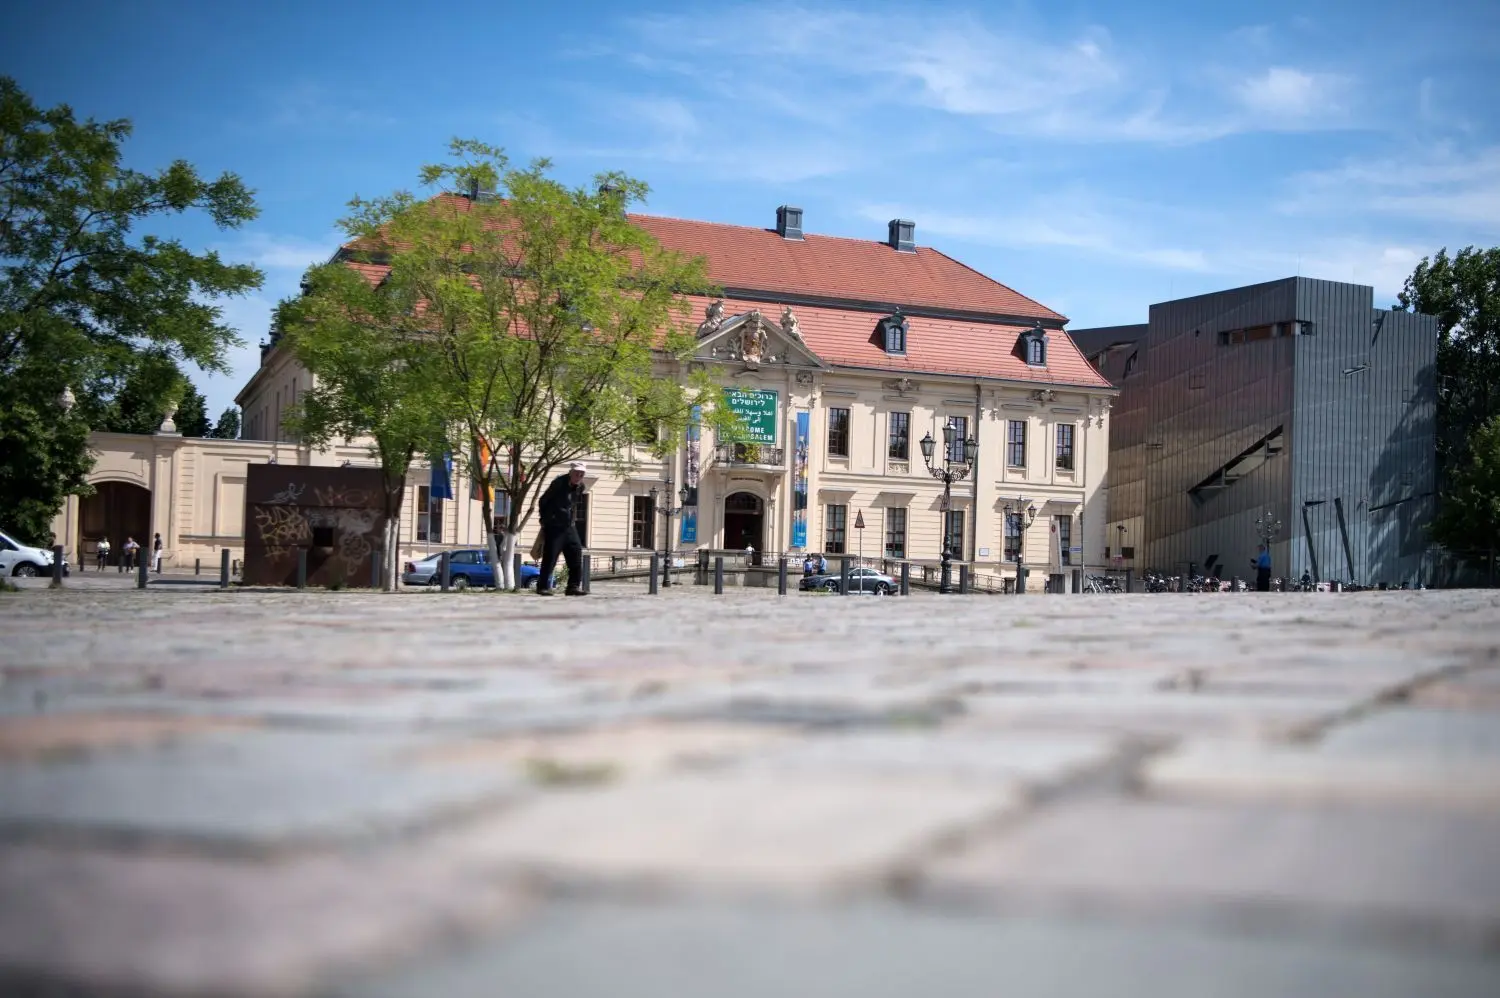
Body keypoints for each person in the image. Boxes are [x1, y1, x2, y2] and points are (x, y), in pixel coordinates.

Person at [536, 461, 587, 596]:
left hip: (569, 526)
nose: (579, 476)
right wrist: (545, 520)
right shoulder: (558, 483)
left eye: (581, 474)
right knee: (550, 557)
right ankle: (542, 587)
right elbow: (543, 501)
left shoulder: (580, 487)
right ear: (570, 473)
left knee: (576, 553)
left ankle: (573, 587)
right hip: (555, 526)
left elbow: (573, 505)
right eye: (576, 473)